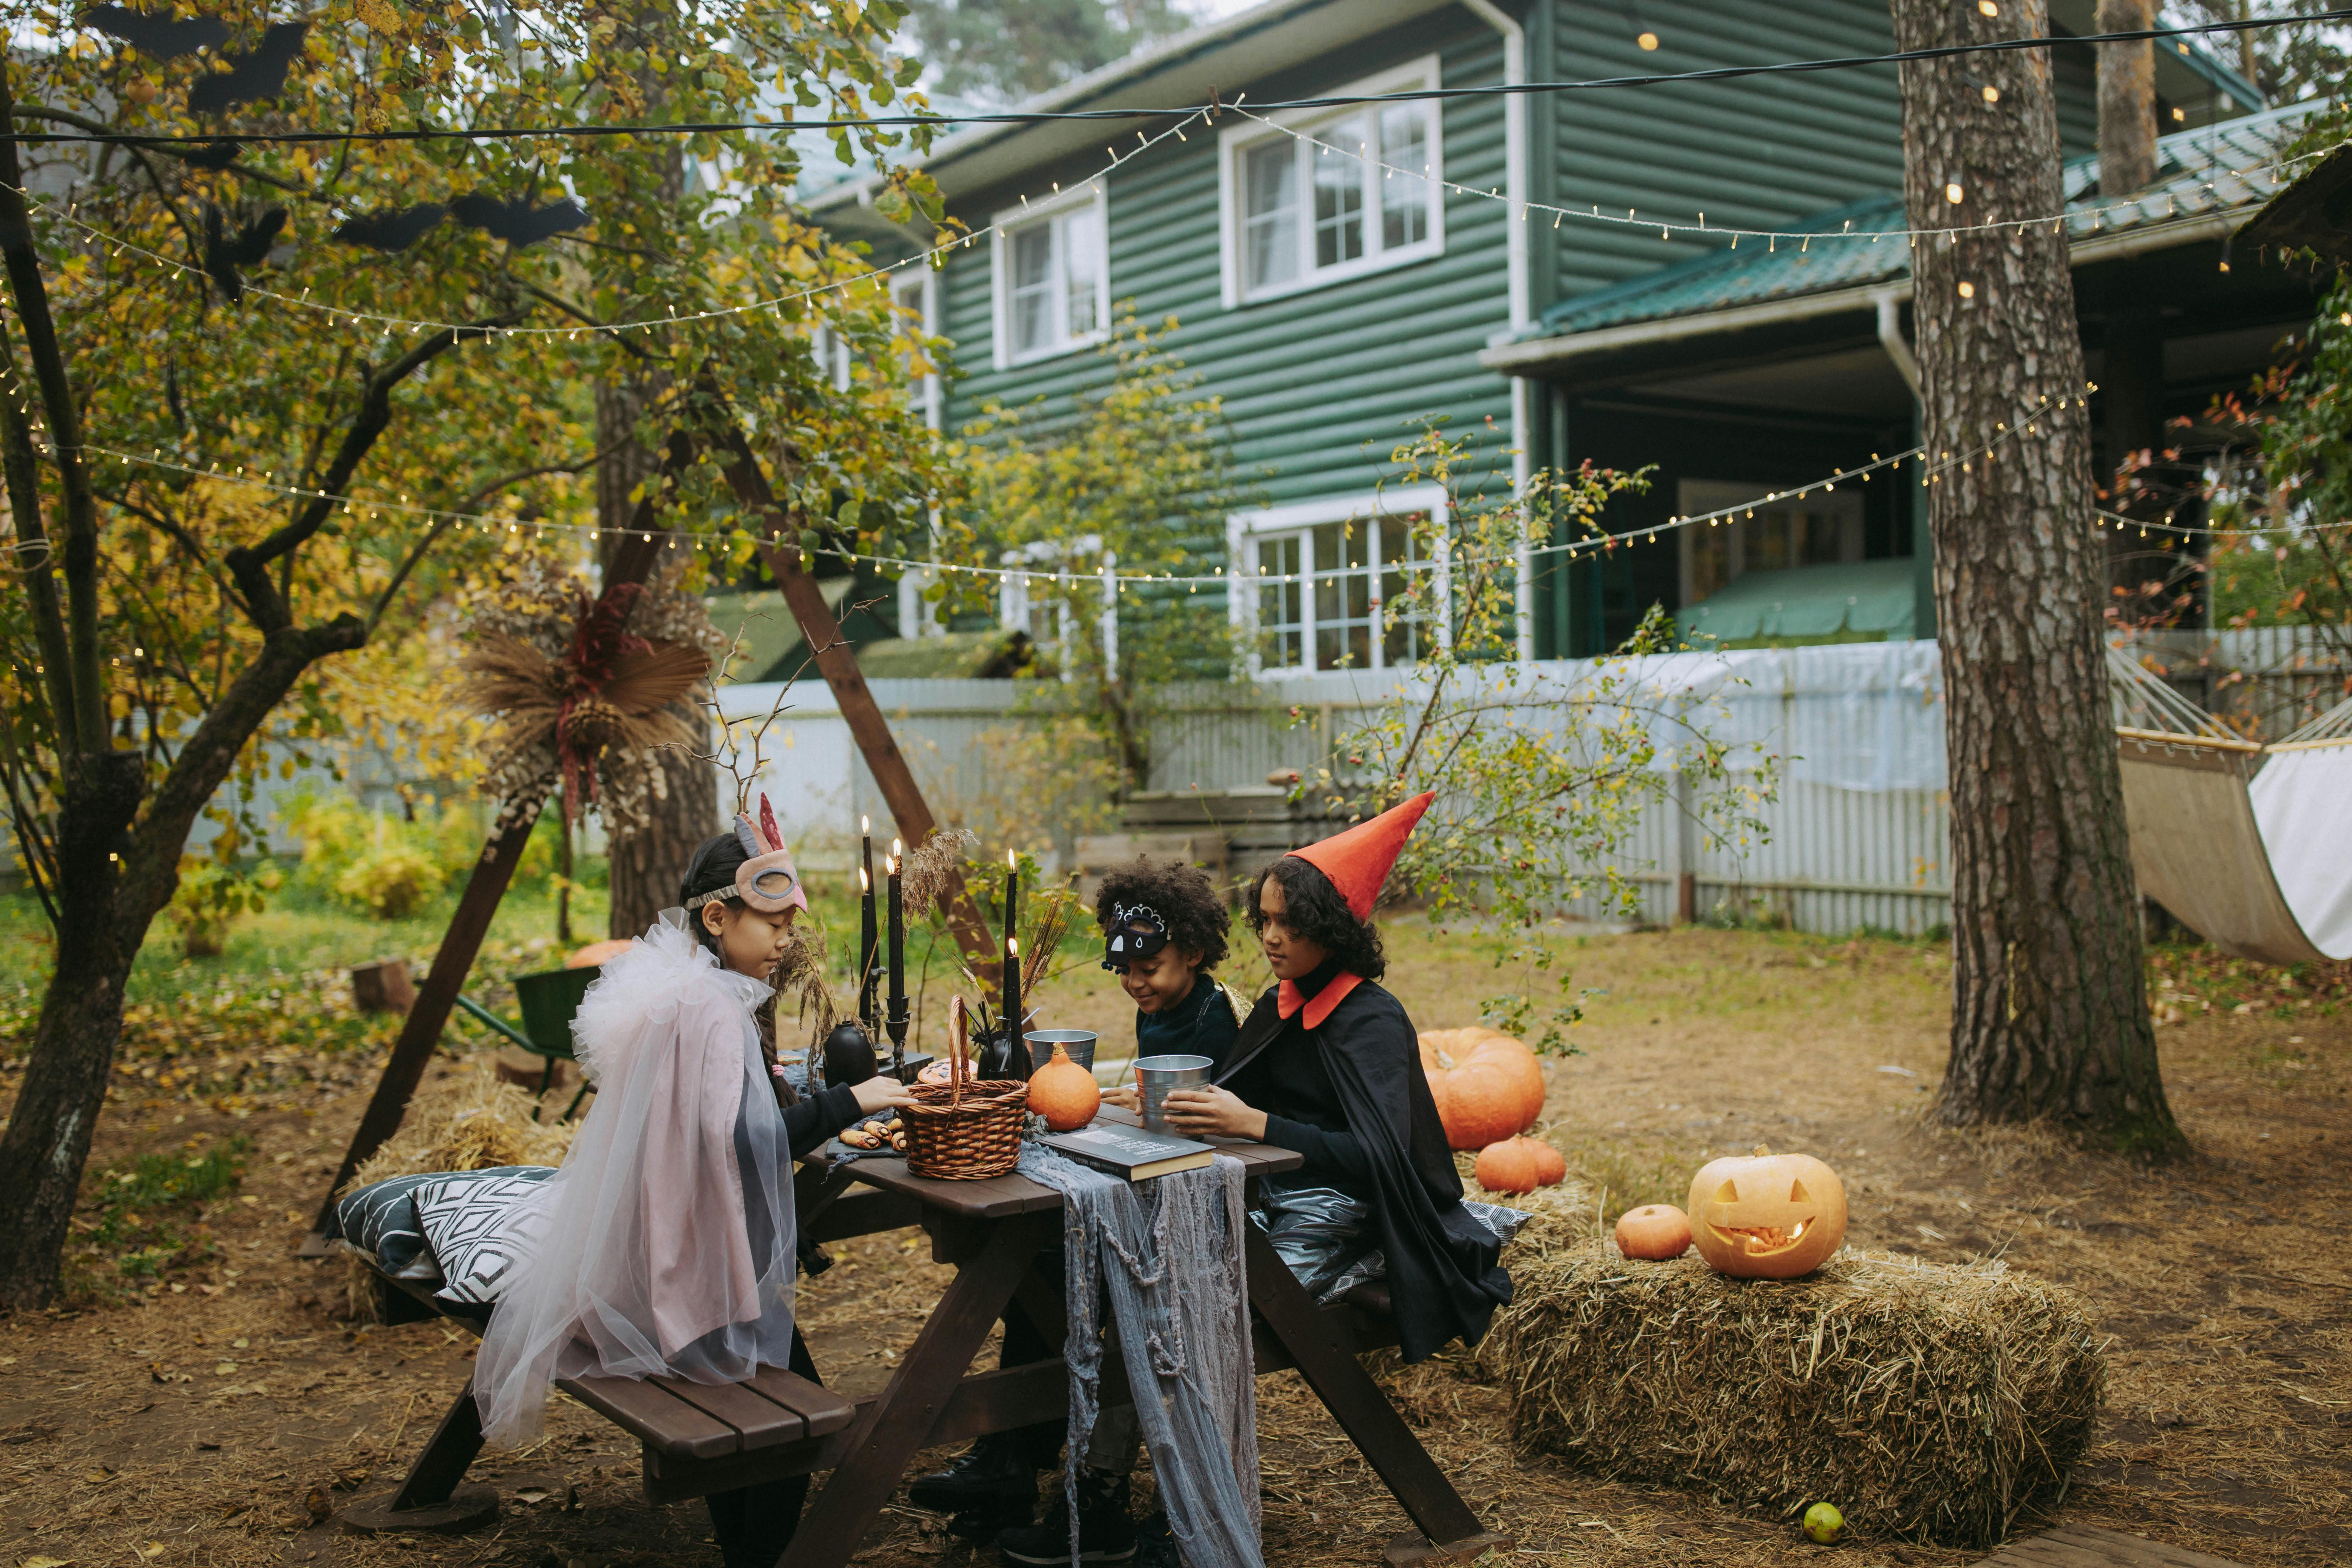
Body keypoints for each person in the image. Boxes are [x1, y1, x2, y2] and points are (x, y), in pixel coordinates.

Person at [1001, 800, 1515, 1566]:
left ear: (1331, 931)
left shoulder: (1369, 1018)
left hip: (1361, 1222)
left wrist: (1257, 1126)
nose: (1272, 938)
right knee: (1133, 1287)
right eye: (1266, 920)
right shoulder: (1285, 1005)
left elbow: (1379, 1158)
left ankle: (1198, 1526)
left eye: (1292, 925)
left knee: (1188, 1319)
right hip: (1272, 1202)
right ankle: (1095, 1493)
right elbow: (1238, 1096)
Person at [471, 811, 914, 1568]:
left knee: (764, 1398)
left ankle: (744, 1547)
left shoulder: (682, 989)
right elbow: (740, 1139)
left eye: (789, 924)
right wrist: (854, 1101)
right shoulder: (713, 1010)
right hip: (692, 1279)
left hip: (658, 1255)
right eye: (771, 923)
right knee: (796, 1419)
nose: (785, 941)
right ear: (718, 916)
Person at [911, 859, 1244, 1559]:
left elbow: (1215, 1132)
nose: (1133, 983)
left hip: (1194, 1212)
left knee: (1077, 1274)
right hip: (1146, 1191)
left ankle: (1085, 1487)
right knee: (1035, 1263)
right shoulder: (1159, 1009)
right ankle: (1010, 1455)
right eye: (1122, 970)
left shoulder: (1218, 1020)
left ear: (1190, 949)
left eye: (1147, 967)